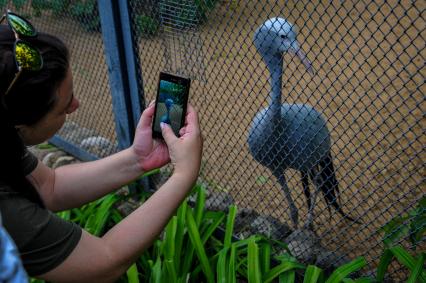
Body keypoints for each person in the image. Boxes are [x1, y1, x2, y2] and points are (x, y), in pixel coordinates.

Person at [0, 11, 202, 282]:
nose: (76, 106)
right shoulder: (7, 212)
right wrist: (184, 175)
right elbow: (104, 262)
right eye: (64, 107)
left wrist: (138, 158)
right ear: (18, 127)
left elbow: (49, 186)